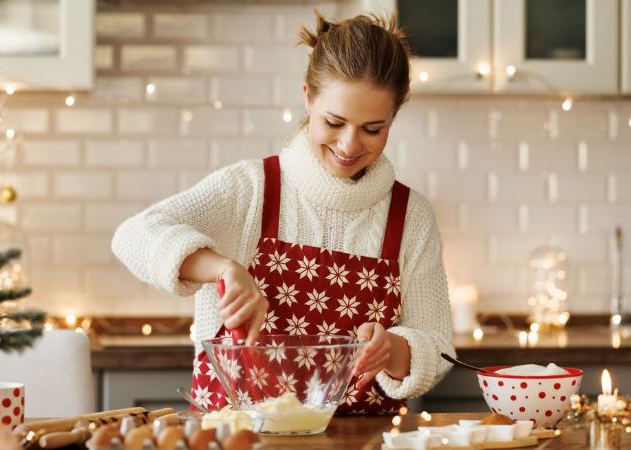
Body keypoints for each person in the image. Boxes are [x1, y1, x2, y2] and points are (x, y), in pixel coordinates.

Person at [112, 11, 455, 414]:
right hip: (238, 438)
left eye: (373, 129)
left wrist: (394, 349)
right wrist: (223, 269)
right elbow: (133, 236)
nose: (349, 144)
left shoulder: (411, 217)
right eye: (334, 122)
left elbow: (437, 347)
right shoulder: (251, 188)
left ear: (394, 117)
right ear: (308, 95)